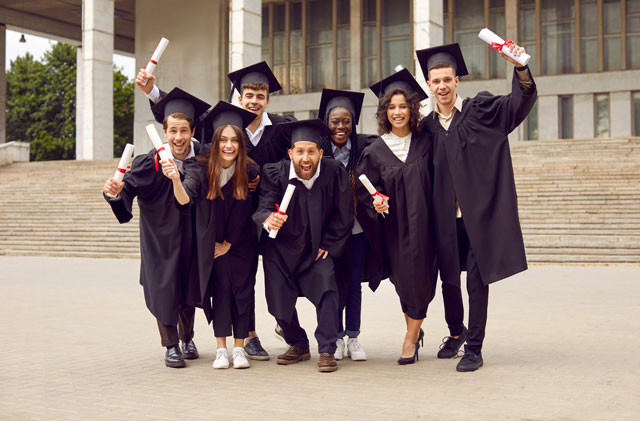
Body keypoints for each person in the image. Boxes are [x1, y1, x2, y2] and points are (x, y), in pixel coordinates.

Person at [417, 42, 537, 372]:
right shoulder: (425, 129)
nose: (441, 86)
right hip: (444, 219)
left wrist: (520, 68)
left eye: (447, 80)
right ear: (428, 84)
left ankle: (475, 347)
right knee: (449, 282)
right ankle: (457, 332)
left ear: (457, 81)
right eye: (435, 81)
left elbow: (518, 103)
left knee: (475, 283)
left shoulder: (481, 110)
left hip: (477, 217)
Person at [103, 88, 210, 368]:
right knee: (165, 291)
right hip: (159, 240)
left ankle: (188, 338)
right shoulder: (148, 162)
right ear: (165, 131)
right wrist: (114, 192)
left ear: (192, 131)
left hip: (191, 237)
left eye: (183, 131)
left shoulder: (200, 159)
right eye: (173, 131)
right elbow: (126, 192)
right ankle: (171, 345)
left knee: (188, 291)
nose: (178, 137)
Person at [161, 101, 259, 370]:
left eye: (234, 141)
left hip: (240, 244)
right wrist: (175, 180)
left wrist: (231, 242)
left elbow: (251, 211)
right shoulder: (199, 168)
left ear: (241, 143)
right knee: (220, 291)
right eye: (223, 140)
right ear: (214, 142)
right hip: (212, 246)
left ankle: (239, 349)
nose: (229, 146)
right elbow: (184, 200)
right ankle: (221, 349)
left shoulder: (249, 170)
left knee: (242, 292)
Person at [253, 119, 353, 372]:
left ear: (320, 153)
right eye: (300, 151)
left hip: (317, 249)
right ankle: (297, 343)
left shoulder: (333, 172)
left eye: (311, 151)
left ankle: (327, 349)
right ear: (291, 153)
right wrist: (269, 219)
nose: (305, 158)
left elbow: (344, 214)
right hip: (281, 250)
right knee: (277, 299)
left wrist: (330, 243)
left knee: (328, 290)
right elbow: (264, 205)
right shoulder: (275, 172)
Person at [355, 69, 438, 365]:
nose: (398, 112)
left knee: (422, 280)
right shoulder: (375, 151)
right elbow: (365, 187)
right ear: (384, 112)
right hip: (394, 229)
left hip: (428, 226)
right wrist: (375, 199)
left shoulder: (427, 142)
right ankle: (414, 332)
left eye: (403, 106)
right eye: (392, 107)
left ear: (412, 108)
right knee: (403, 281)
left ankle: (409, 338)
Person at [317, 88, 384, 361]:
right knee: (331, 284)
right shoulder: (318, 151)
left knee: (354, 282)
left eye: (346, 121)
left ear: (353, 122)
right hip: (330, 232)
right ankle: (332, 337)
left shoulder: (365, 147)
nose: (340, 127)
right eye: (335, 121)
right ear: (326, 122)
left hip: (357, 230)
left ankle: (353, 336)